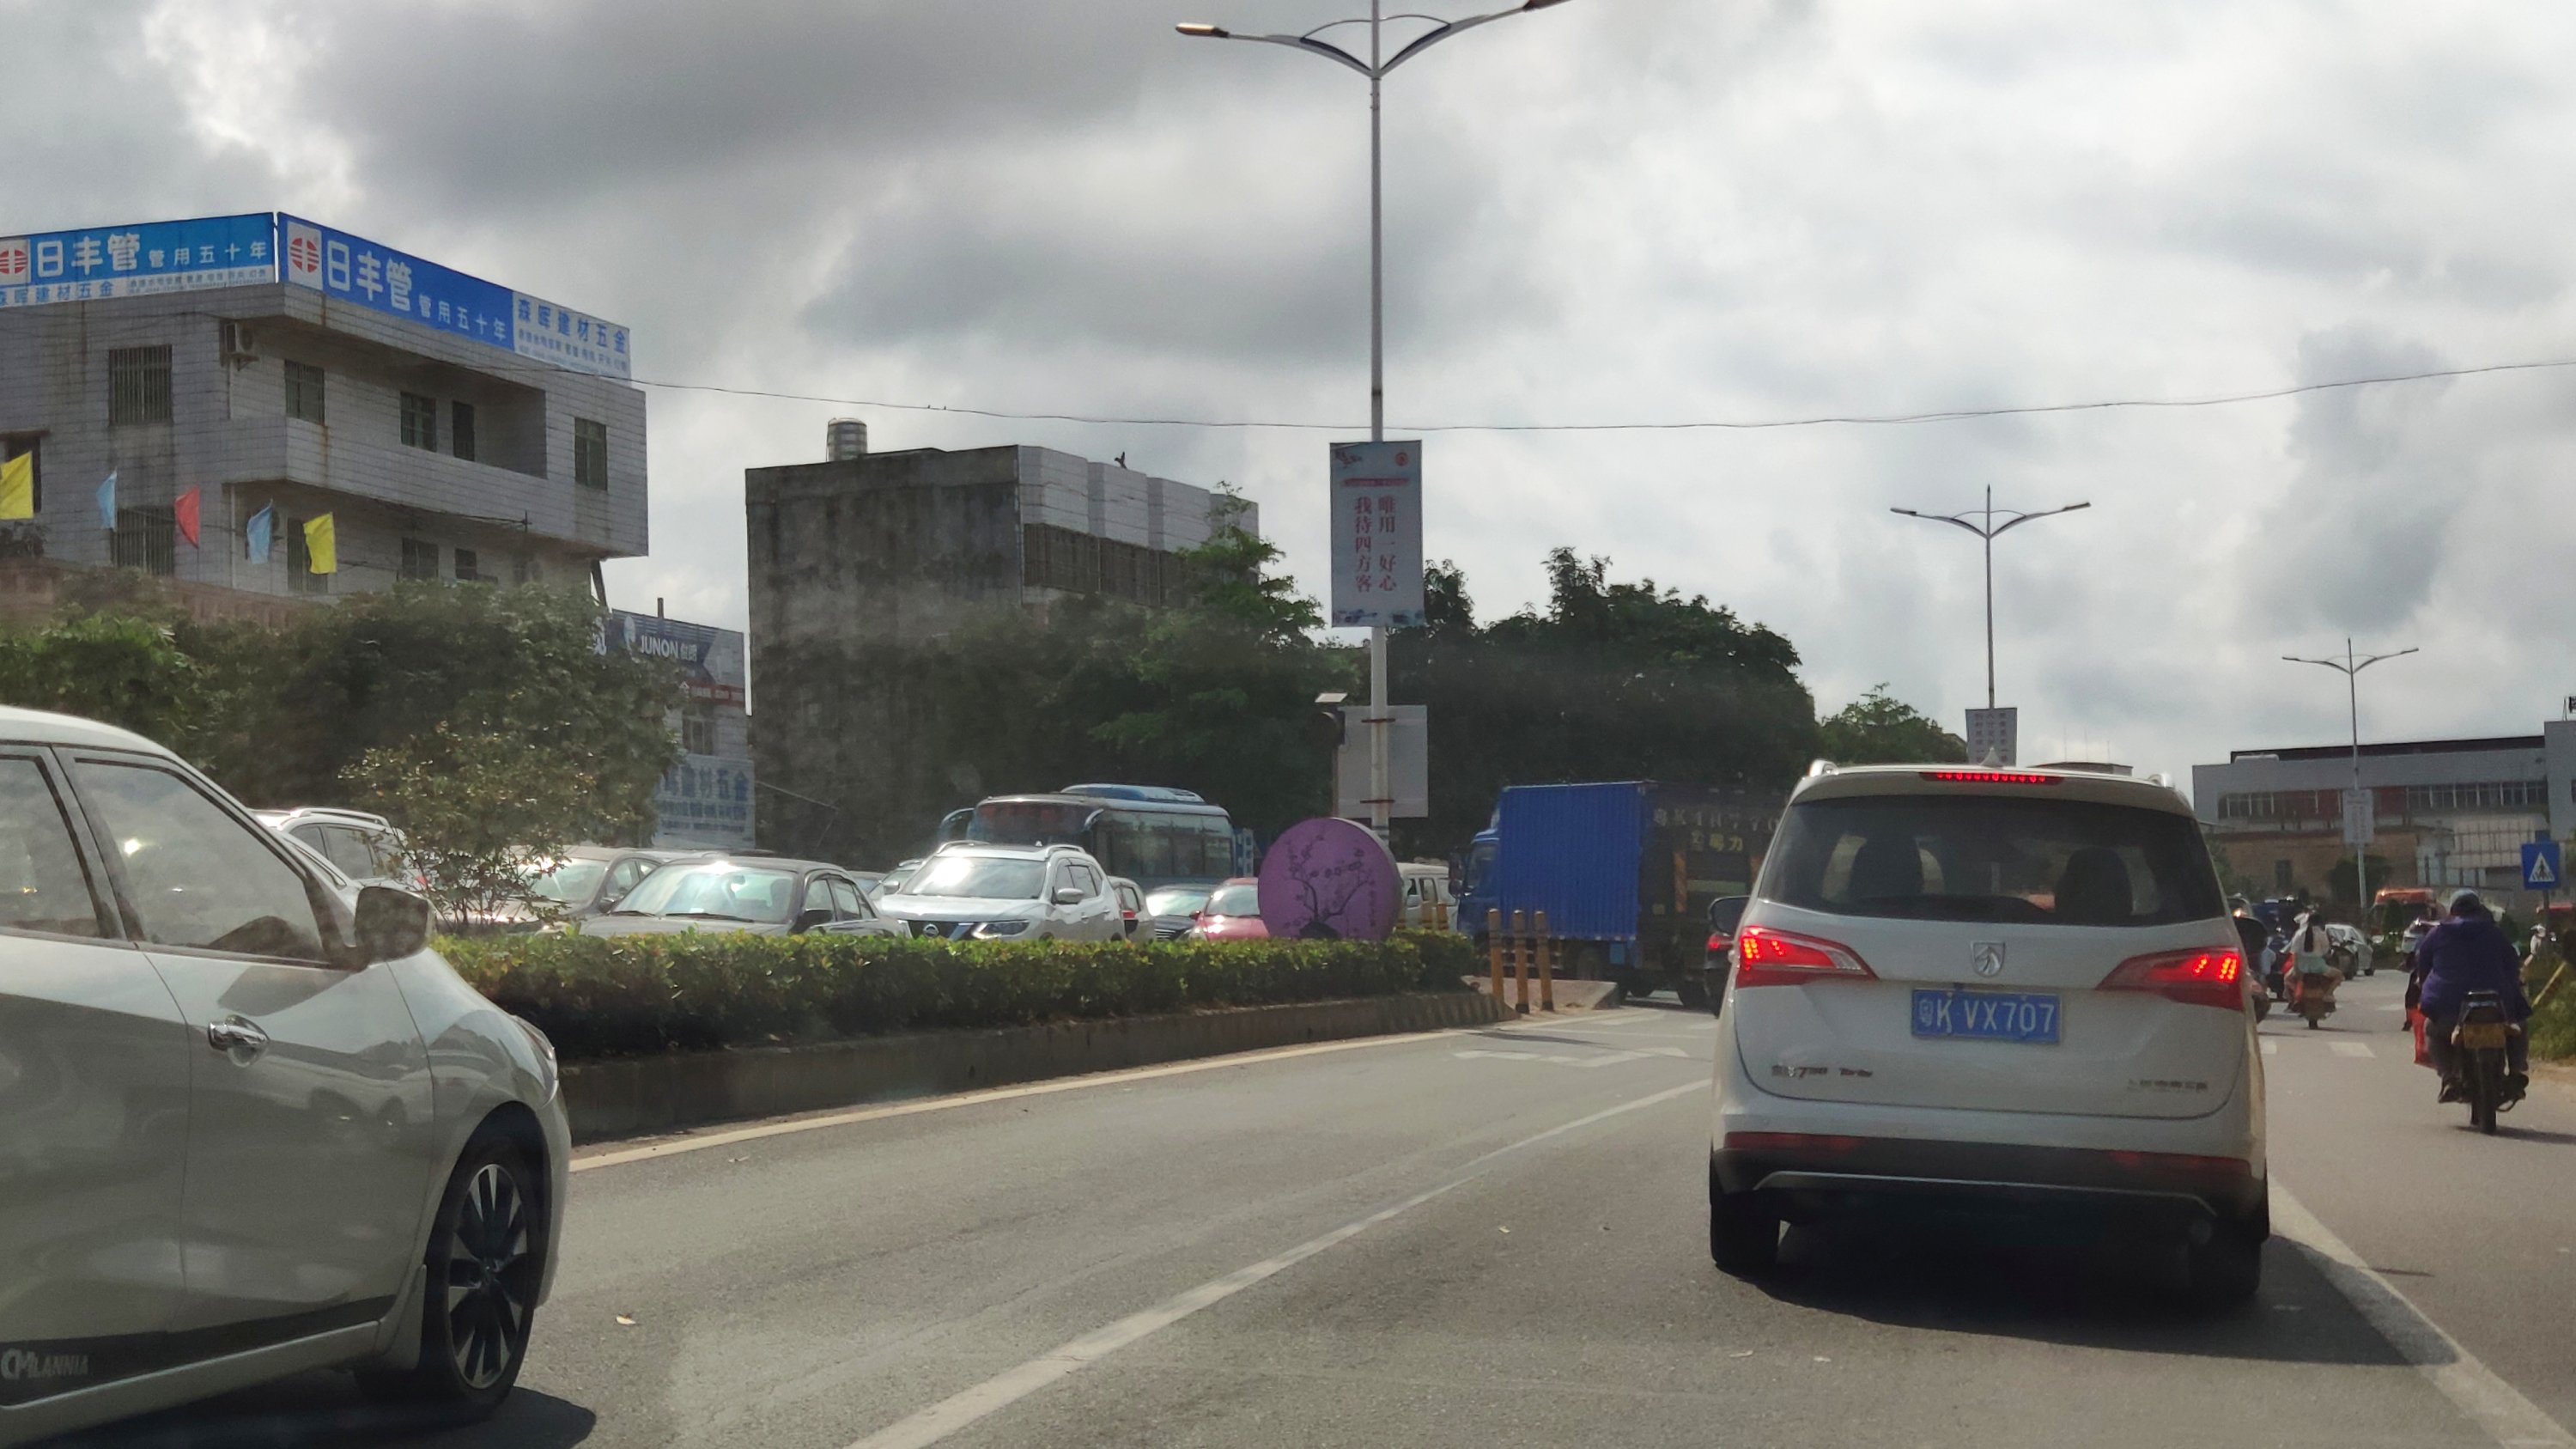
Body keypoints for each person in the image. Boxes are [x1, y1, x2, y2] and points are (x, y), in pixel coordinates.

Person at [2415, 890, 2531, 1104]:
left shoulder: (2438, 934)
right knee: (2519, 1027)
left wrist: (2425, 987)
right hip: (2500, 1006)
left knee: (2432, 1029)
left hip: (2449, 1009)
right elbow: (2512, 965)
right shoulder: (2495, 933)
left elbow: (2423, 966)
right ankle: (2516, 1072)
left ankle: (2449, 1078)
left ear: (2452, 910)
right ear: (2479, 909)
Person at [2285, 910, 2337, 1009]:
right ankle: (2328, 995)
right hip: (2318, 966)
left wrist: (2296, 969)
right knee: (2339, 976)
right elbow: (2325, 950)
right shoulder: (2321, 933)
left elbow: (2294, 951)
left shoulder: (2299, 933)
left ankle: (2295, 997)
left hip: (2301, 965)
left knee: (2287, 979)